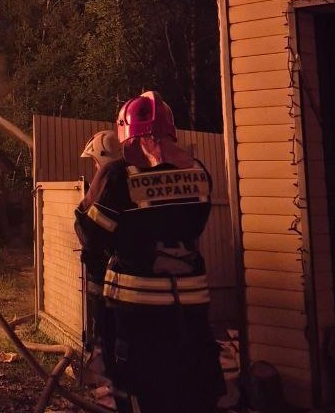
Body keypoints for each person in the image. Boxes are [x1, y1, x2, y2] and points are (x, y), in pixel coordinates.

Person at [74, 91, 224, 413]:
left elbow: (89, 235)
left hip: (136, 317)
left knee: (139, 393)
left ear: (129, 135)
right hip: (191, 315)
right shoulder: (199, 174)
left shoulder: (117, 176)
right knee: (191, 393)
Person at [77, 130, 121, 382]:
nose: (95, 167)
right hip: (116, 279)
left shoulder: (109, 186)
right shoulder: (133, 181)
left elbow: (88, 230)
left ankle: (107, 379)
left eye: (95, 162)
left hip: (104, 277)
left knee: (105, 331)